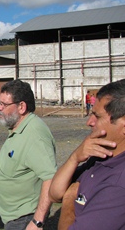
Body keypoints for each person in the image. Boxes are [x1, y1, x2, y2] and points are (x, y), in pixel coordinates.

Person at [49, 79, 125, 230]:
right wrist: (75, 157)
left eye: (97, 116)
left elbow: (64, 196)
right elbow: (55, 194)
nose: (89, 122)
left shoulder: (118, 185)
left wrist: (70, 200)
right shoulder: (102, 154)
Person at [0, 79, 57, 230]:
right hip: (14, 217)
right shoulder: (19, 127)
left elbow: (50, 178)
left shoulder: (35, 134)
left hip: (25, 218)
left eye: (4, 104)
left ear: (21, 106)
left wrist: (37, 221)